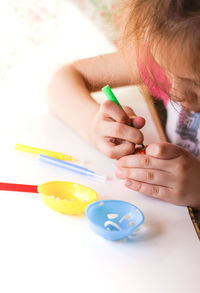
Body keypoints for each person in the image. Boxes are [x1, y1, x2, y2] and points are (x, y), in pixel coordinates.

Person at [47, 0, 200, 210]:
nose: (176, 91)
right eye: (166, 68)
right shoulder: (173, 53)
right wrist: (94, 125)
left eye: (196, 82)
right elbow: (63, 80)